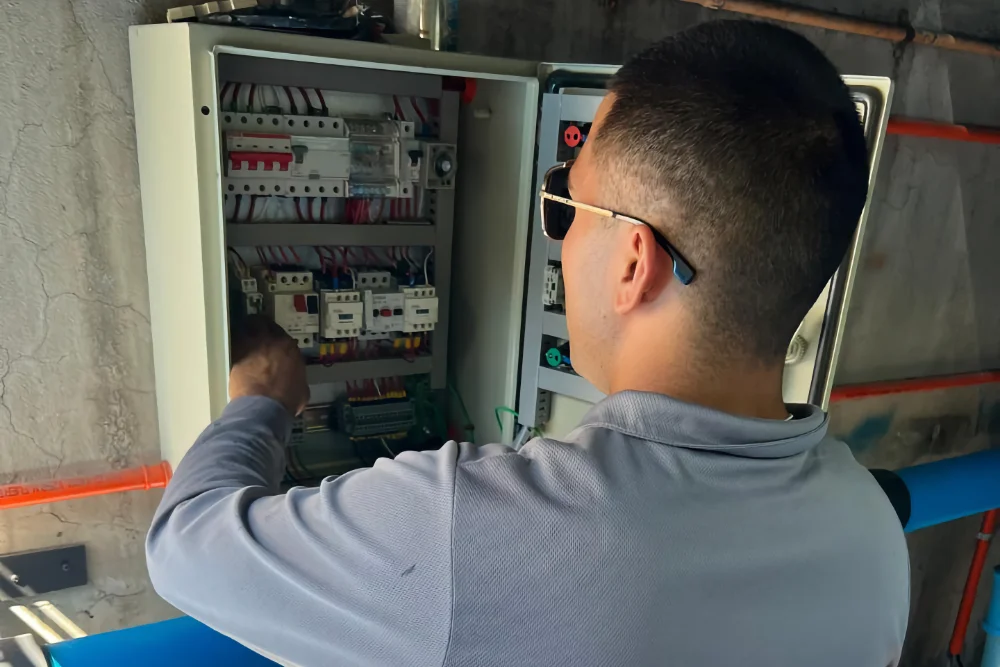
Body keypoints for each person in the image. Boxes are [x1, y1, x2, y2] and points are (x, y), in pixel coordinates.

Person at [147, 20, 909, 667]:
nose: (560, 236)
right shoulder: (873, 538)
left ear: (634, 263)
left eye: (566, 204)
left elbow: (185, 546)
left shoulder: (473, 534)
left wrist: (263, 399)